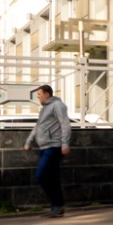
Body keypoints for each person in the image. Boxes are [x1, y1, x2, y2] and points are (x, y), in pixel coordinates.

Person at [23, 84, 72, 217]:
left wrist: (65, 144)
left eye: (39, 94)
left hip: (54, 147)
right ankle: (57, 207)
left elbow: (65, 124)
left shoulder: (58, 105)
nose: (38, 97)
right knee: (52, 178)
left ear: (47, 94)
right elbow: (38, 126)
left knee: (41, 175)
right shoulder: (44, 109)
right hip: (44, 147)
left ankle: (57, 205)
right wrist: (28, 142)